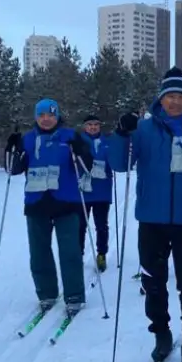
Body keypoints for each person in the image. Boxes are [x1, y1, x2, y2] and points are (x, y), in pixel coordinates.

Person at [108, 67, 182, 362]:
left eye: (181, 97)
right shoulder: (144, 130)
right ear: (161, 99)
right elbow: (118, 163)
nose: (175, 102)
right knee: (153, 282)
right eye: (170, 96)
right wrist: (121, 133)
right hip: (151, 220)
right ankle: (161, 333)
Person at [6, 99, 94, 318]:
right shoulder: (28, 139)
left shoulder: (70, 136)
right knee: (39, 252)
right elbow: (12, 169)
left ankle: (74, 295)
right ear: (36, 117)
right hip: (36, 203)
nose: (46, 119)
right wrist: (11, 149)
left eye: (51, 115)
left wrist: (81, 151)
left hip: (67, 202)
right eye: (42, 115)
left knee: (70, 251)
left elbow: (86, 168)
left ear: (58, 116)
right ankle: (46, 293)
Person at [79, 113, 113, 271]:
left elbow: (114, 161)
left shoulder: (107, 142)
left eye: (96, 125)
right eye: (90, 125)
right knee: (80, 226)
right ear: (84, 127)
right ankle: (78, 254)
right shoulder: (78, 141)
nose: (93, 127)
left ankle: (101, 254)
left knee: (101, 225)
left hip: (102, 191)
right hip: (83, 192)